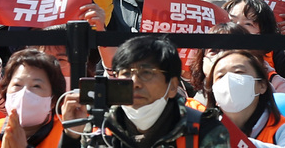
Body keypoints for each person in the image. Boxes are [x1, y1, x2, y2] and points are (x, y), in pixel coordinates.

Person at [59, 36, 230, 147]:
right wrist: (70, 137)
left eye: (146, 73)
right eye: (125, 73)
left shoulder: (204, 130)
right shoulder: (97, 128)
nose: (135, 82)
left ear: (172, 86)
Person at [206, 50, 285, 147]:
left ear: (262, 85)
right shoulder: (202, 129)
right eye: (220, 76)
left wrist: (234, 140)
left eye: (238, 72)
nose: (228, 81)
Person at [0, 49, 67, 148]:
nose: (24, 93)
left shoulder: (69, 132)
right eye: (17, 85)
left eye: (36, 86)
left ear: (53, 100)